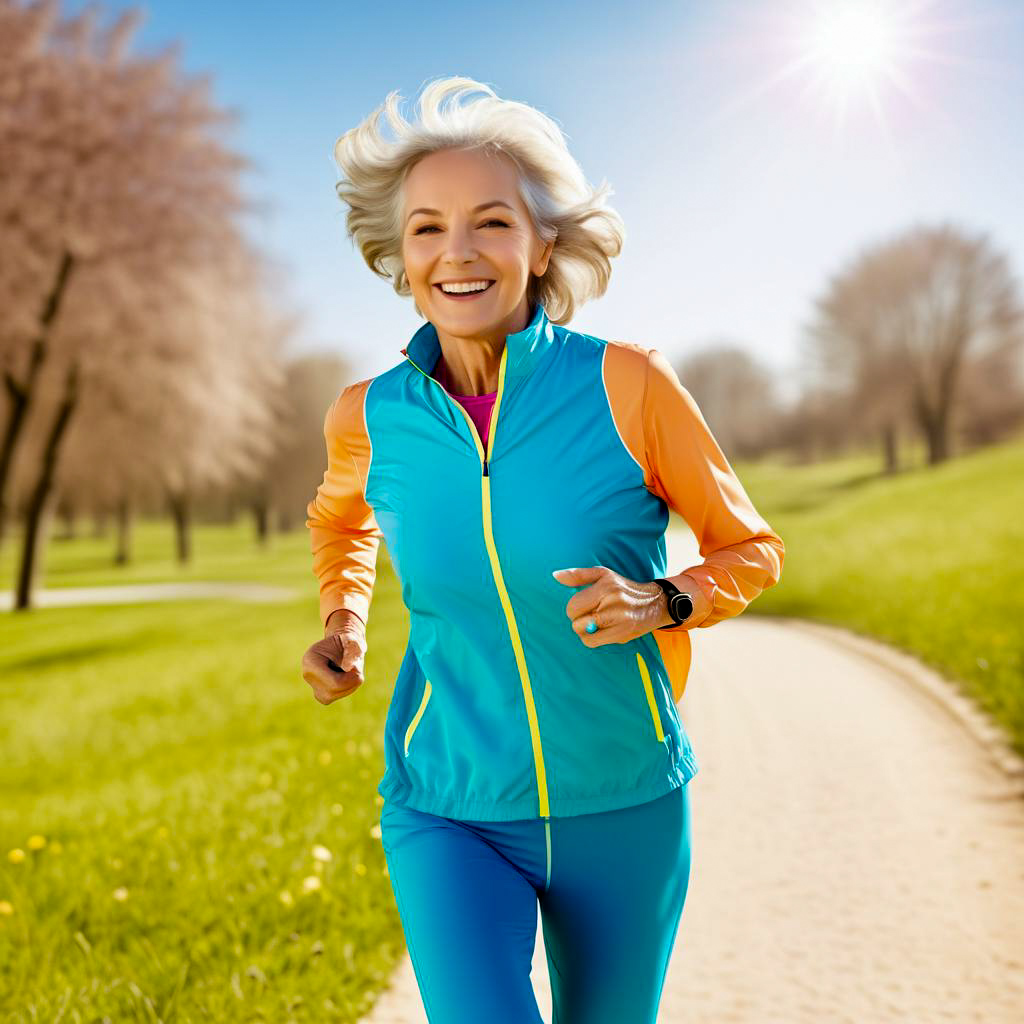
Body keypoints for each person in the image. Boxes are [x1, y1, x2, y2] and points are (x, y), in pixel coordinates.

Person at [301, 75, 785, 1024]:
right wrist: (343, 619)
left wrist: (664, 600)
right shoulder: (370, 417)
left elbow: (751, 548)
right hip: (449, 803)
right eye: (428, 229)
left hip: (624, 799)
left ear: (541, 244)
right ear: (400, 258)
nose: (459, 253)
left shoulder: (628, 386)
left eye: (492, 222)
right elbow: (339, 523)